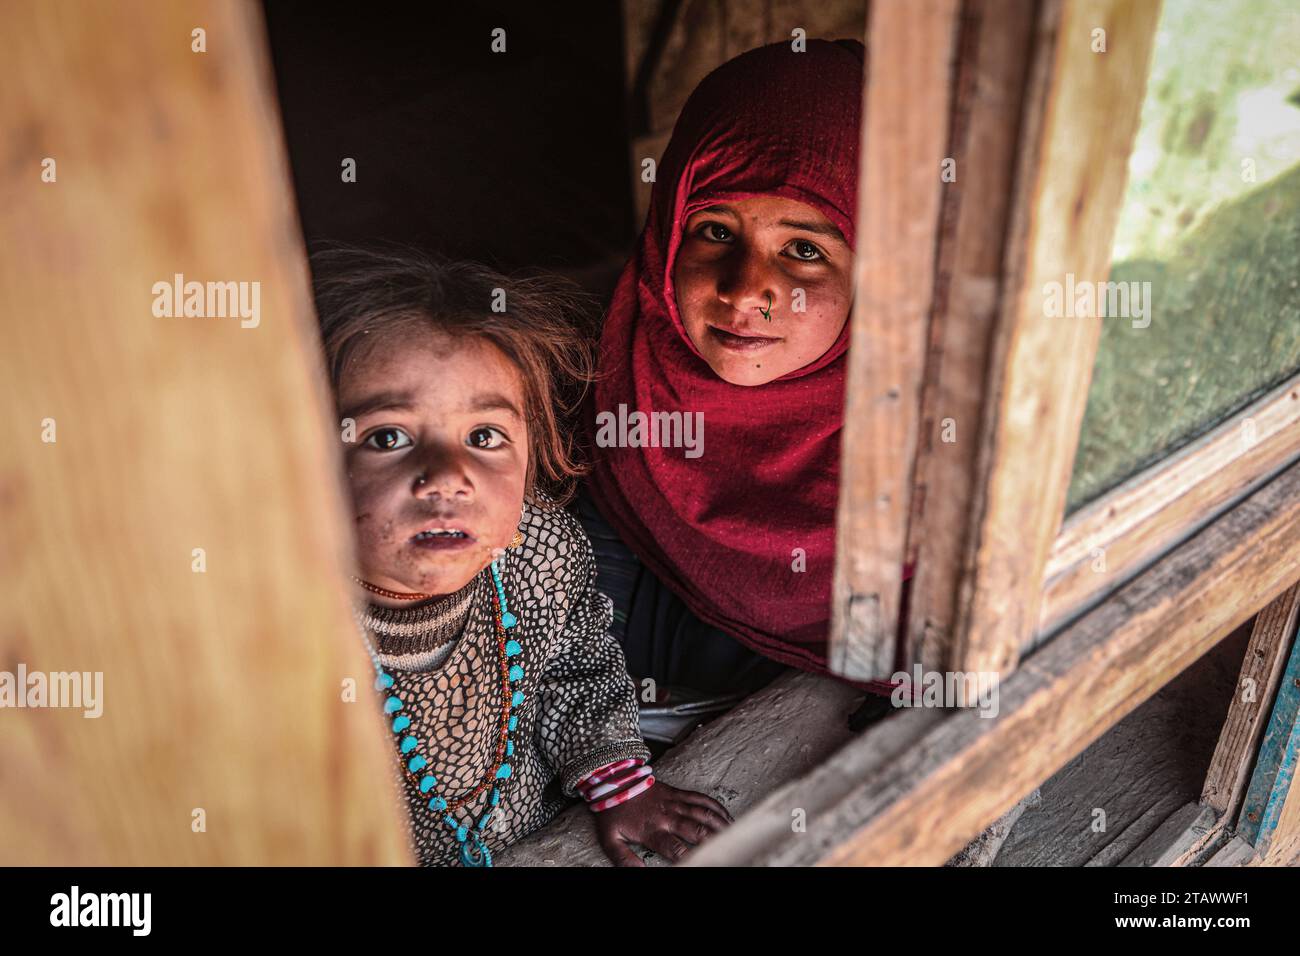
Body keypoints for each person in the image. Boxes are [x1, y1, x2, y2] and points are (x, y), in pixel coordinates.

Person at [313, 247, 732, 866]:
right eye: (388, 437)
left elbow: (579, 670)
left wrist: (618, 784)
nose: (448, 477)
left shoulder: (540, 549)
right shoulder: (285, 625)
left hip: (541, 840)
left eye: (485, 437)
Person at [580, 39, 912, 700]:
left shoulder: (947, 453)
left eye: (802, 249)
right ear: (666, 230)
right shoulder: (596, 402)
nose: (743, 290)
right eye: (714, 232)